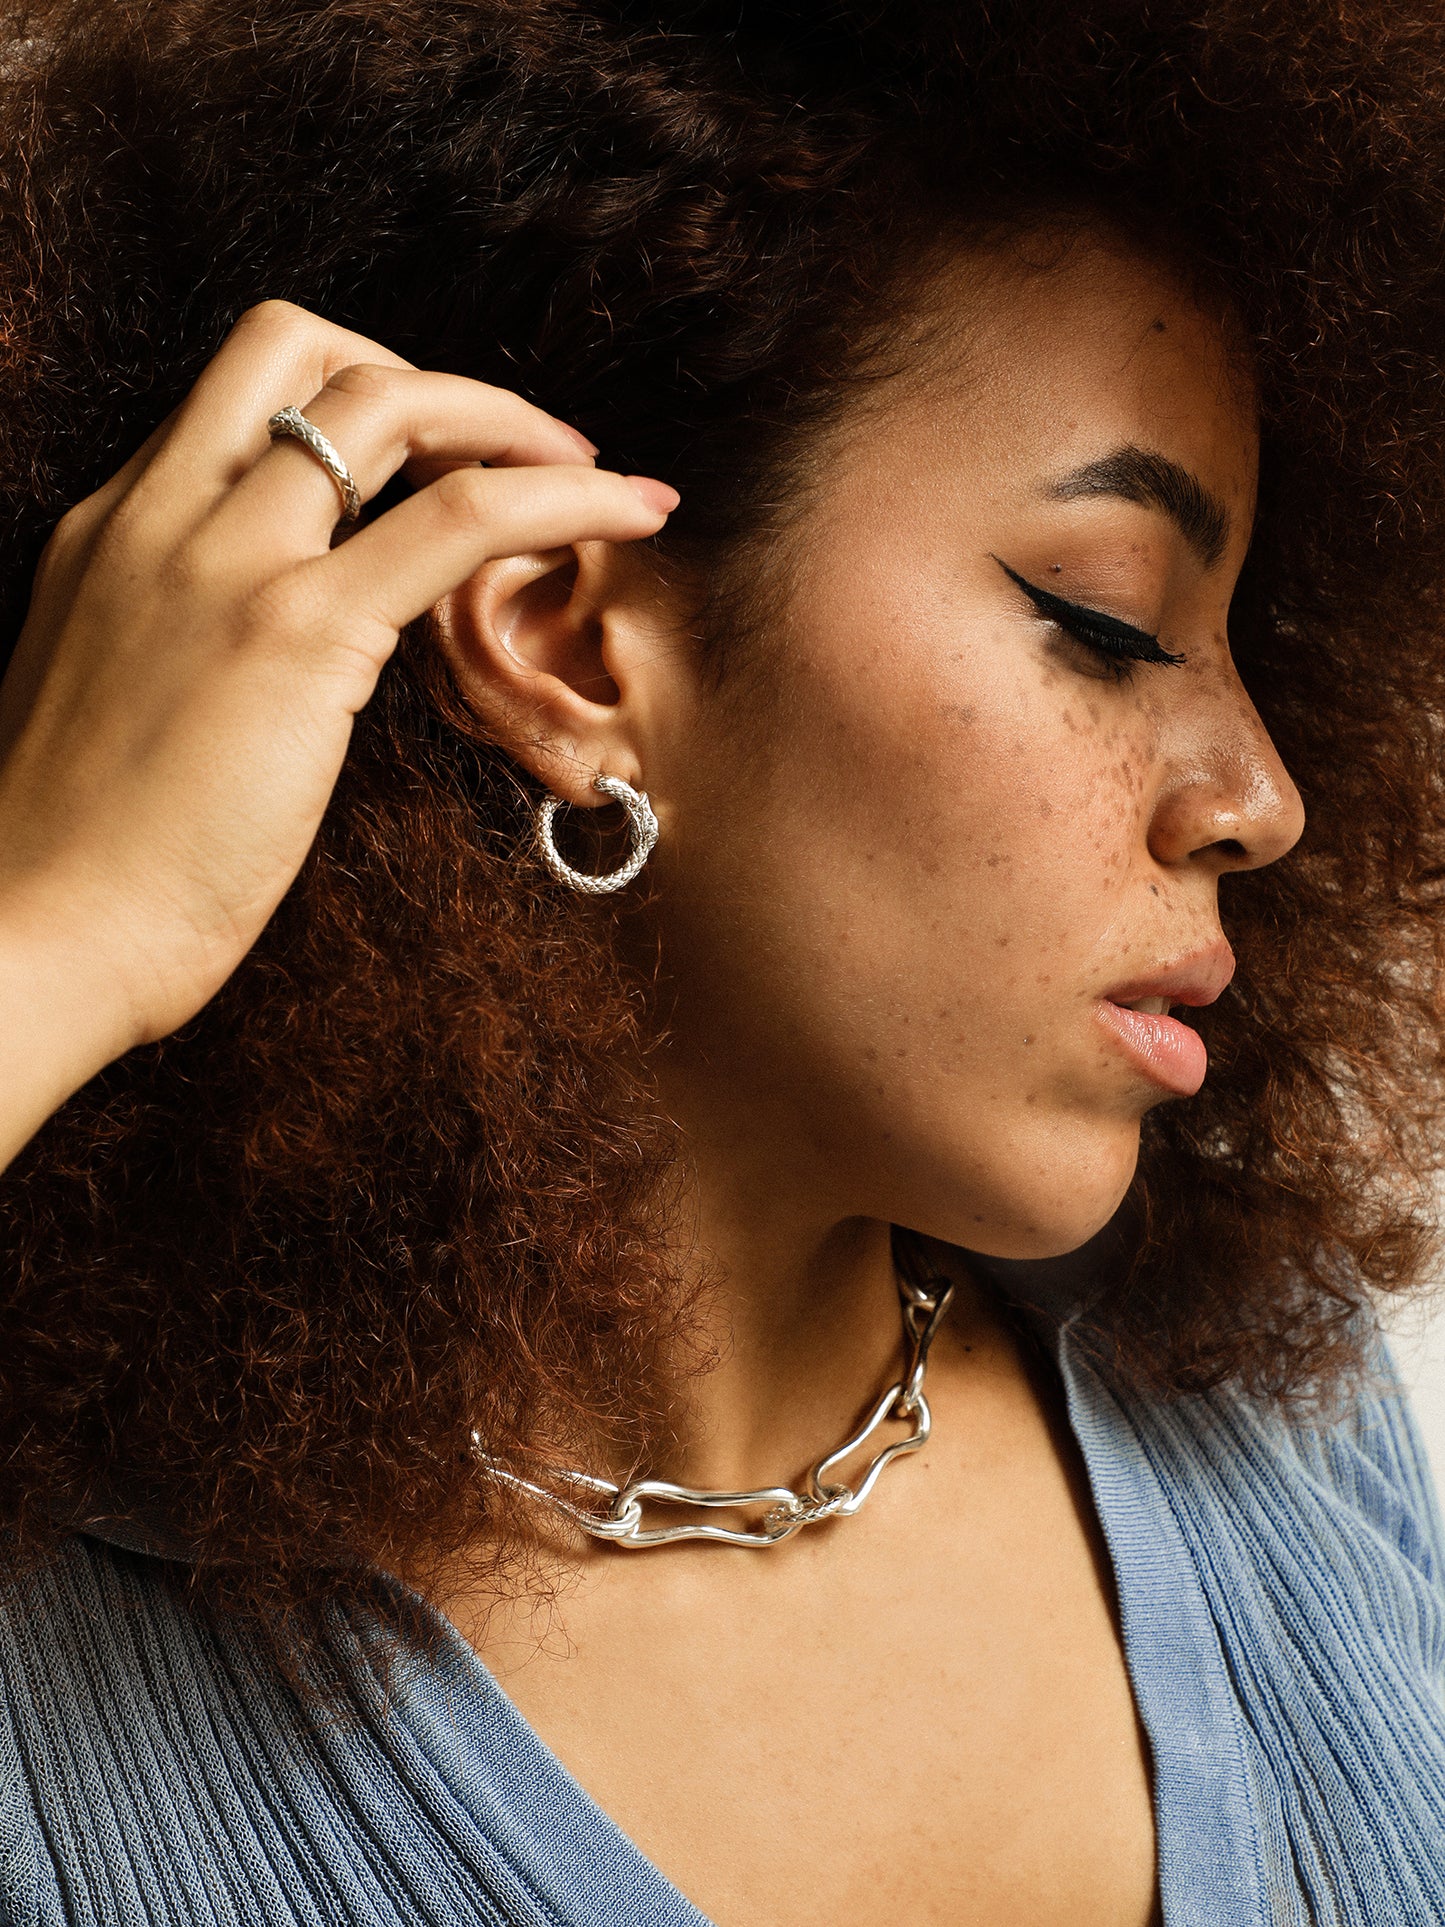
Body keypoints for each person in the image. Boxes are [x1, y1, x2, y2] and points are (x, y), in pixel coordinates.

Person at [0, 1, 1444, 1921]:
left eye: (1251, 644)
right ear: (567, 645)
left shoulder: (1270, 1415)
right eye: (1106, 622)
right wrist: (75, 922)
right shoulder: (49, 1682)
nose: (1258, 796)